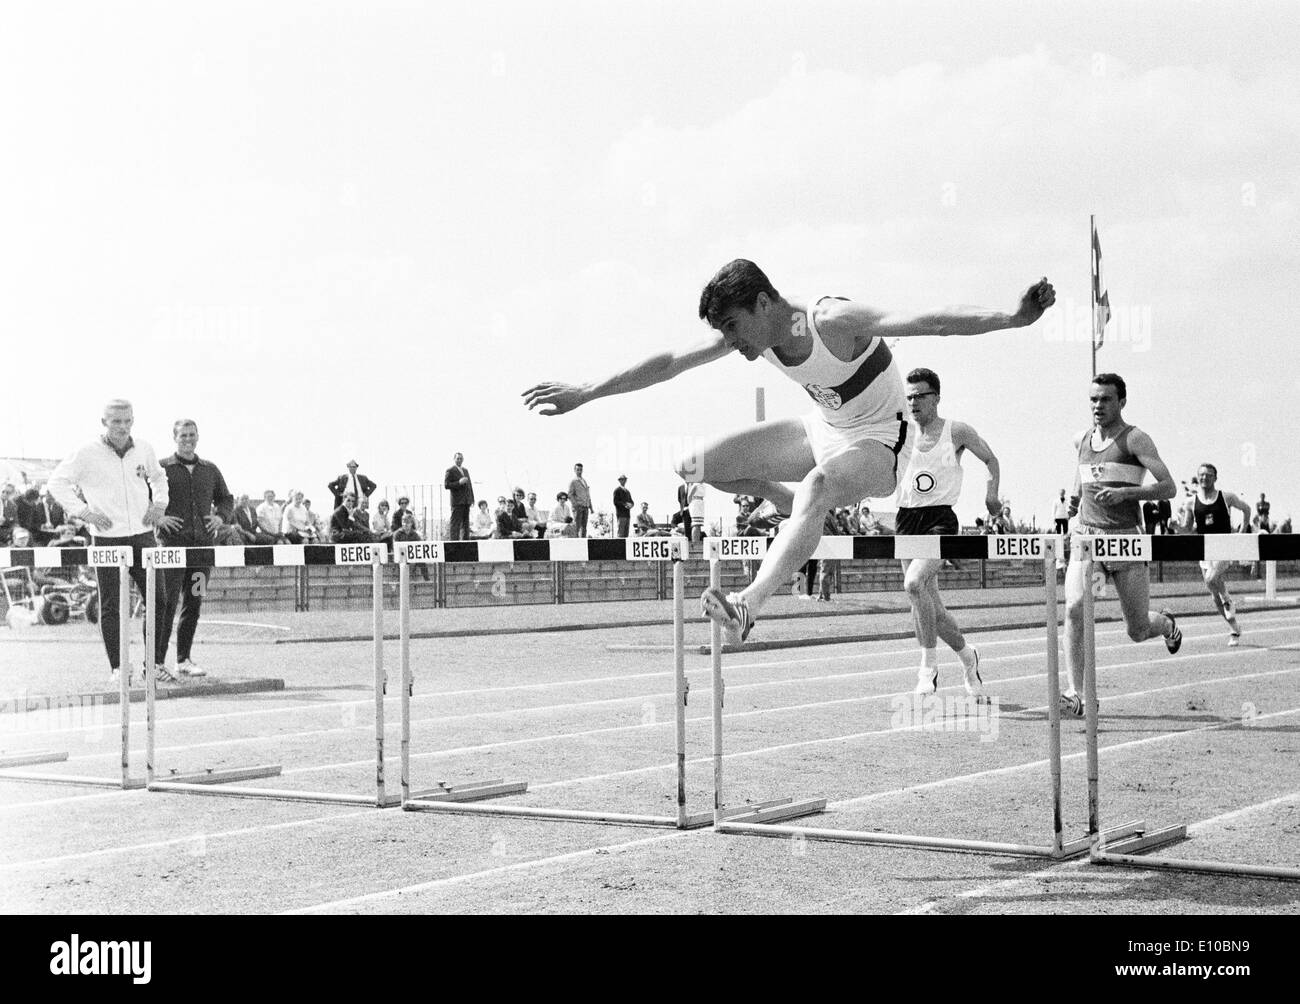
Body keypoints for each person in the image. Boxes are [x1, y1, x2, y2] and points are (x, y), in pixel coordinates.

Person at [525, 261, 1055, 644]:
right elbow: (669, 362)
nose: (733, 343)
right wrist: (587, 391)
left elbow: (930, 319)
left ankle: (747, 606)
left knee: (820, 486)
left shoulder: (830, 321)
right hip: (822, 430)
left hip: (879, 443)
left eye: (733, 327)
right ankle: (791, 507)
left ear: (763, 303)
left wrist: (1013, 316)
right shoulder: (753, 334)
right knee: (693, 466)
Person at [1060, 373, 1181, 719]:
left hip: (1126, 540)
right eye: (1093, 400)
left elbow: (1169, 487)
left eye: (1106, 400)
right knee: (1074, 607)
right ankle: (1078, 694)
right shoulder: (1080, 439)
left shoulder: (1136, 439)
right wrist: (1072, 513)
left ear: (1122, 402)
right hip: (1087, 538)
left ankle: (1167, 625)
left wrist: (1127, 493)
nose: (1098, 406)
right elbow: (1080, 477)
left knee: (1138, 629)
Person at [893, 368, 1000, 701]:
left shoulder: (957, 431)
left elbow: (991, 459)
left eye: (919, 396)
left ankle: (928, 668)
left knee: (914, 584)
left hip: (940, 519)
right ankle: (968, 656)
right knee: (931, 610)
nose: (913, 402)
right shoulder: (899, 432)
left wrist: (991, 494)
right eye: (908, 396)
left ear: (936, 397)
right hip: (906, 519)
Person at [46, 399, 170, 684]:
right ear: (104, 422)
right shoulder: (87, 452)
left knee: (159, 599)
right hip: (106, 539)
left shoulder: (144, 448)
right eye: (116, 421)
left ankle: (152, 665)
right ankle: (118, 667)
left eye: (128, 421)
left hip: (142, 536)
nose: (122, 427)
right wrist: (84, 512)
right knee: (112, 604)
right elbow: (56, 483)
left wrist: (160, 504)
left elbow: (159, 477)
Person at [154, 419, 234, 679]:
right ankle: (156, 663)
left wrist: (221, 517)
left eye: (192, 435)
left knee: (194, 601)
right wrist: (158, 518)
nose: (188, 439)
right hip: (172, 548)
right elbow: (141, 497)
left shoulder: (209, 469)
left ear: (198, 436)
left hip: (201, 550)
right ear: (174, 437)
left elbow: (226, 498)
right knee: (166, 603)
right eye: (183, 435)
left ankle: (183, 659)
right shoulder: (162, 467)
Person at [1177, 463, 1253, 646]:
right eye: (1202, 475)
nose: (1205, 478)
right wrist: (1176, 527)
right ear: (1198, 478)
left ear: (1215, 478)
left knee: (1211, 580)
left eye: (1209, 475)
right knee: (1213, 595)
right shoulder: (1190, 502)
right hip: (1205, 550)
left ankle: (1227, 598)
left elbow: (1247, 509)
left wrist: (1242, 533)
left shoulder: (1226, 497)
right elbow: (1188, 530)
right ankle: (1234, 628)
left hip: (1225, 546)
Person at [444, 452, 474, 541]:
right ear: (454, 459)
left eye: (461, 458)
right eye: (458, 458)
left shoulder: (465, 470)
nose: (459, 460)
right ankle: (454, 542)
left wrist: (471, 498)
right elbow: (447, 485)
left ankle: (465, 542)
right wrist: (459, 483)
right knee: (455, 524)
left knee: (466, 524)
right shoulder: (450, 470)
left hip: (466, 501)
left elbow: (469, 485)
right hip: (457, 501)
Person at [393, 511, 429, 580]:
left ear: (411, 523)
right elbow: (395, 547)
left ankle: (427, 579)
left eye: (408, 522)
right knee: (399, 564)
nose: (405, 524)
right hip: (401, 556)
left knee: (422, 562)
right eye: (404, 522)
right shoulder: (397, 534)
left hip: (412, 556)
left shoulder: (415, 534)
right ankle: (399, 580)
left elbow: (419, 546)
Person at [568, 463, 592, 537]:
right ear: (574, 470)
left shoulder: (584, 481)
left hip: (585, 506)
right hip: (578, 507)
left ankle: (583, 543)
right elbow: (570, 494)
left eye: (581, 469)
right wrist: (575, 505)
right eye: (577, 469)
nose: (579, 471)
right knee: (577, 527)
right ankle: (576, 544)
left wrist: (591, 507)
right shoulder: (573, 481)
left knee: (584, 527)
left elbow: (588, 495)